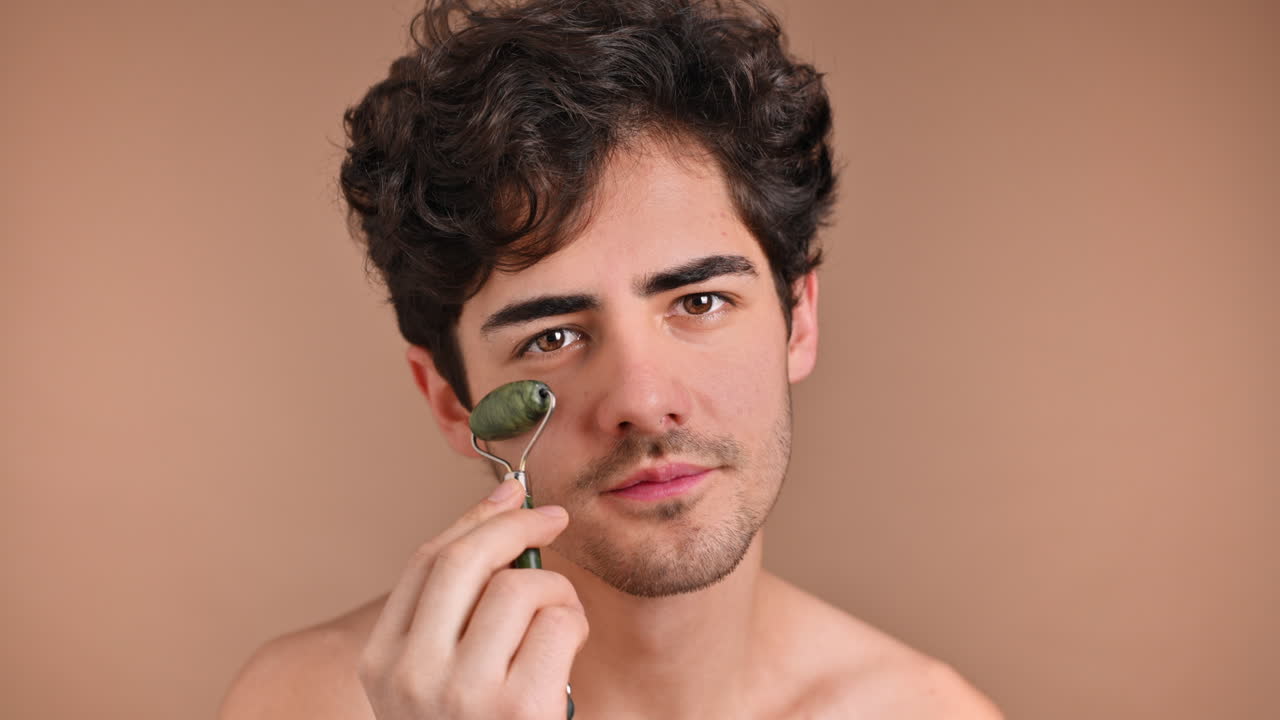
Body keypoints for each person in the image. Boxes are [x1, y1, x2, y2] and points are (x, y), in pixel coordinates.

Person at [220, 0, 1003, 717]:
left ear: (798, 322)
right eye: (551, 338)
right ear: (452, 402)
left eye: (700, 302)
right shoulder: (303, 702)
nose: (643, 400)